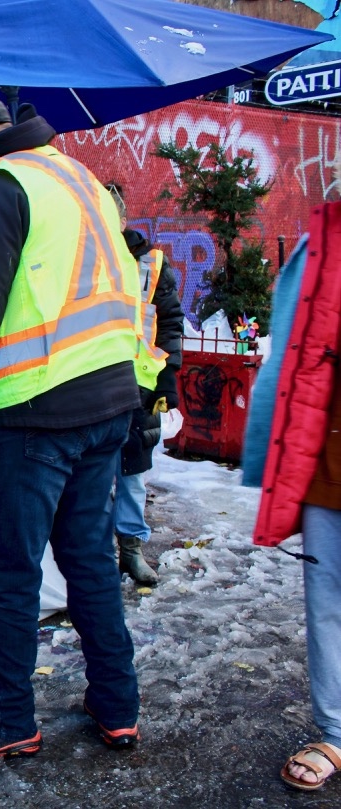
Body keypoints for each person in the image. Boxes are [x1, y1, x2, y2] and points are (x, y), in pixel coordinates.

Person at [0, 93, 143, 762]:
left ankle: (7, 717)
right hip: (107, 401)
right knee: (90, 561)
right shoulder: (78, 178)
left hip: (35, 414)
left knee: (10, 572)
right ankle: (116, 702)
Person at [245, 204, 341, 792]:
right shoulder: (322, 244)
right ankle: (335, 731)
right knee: (327, 601)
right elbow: (292, 356)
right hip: (331, 453)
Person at [105, 182, 184, 586]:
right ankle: (101, 555)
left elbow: (169, 325)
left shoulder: (151, 263)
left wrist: (168, 385)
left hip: (141, 385)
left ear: (120, 217)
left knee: (134, 473)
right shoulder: (86, 260)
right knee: (96, 476)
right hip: (94, 384)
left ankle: (131, 550)